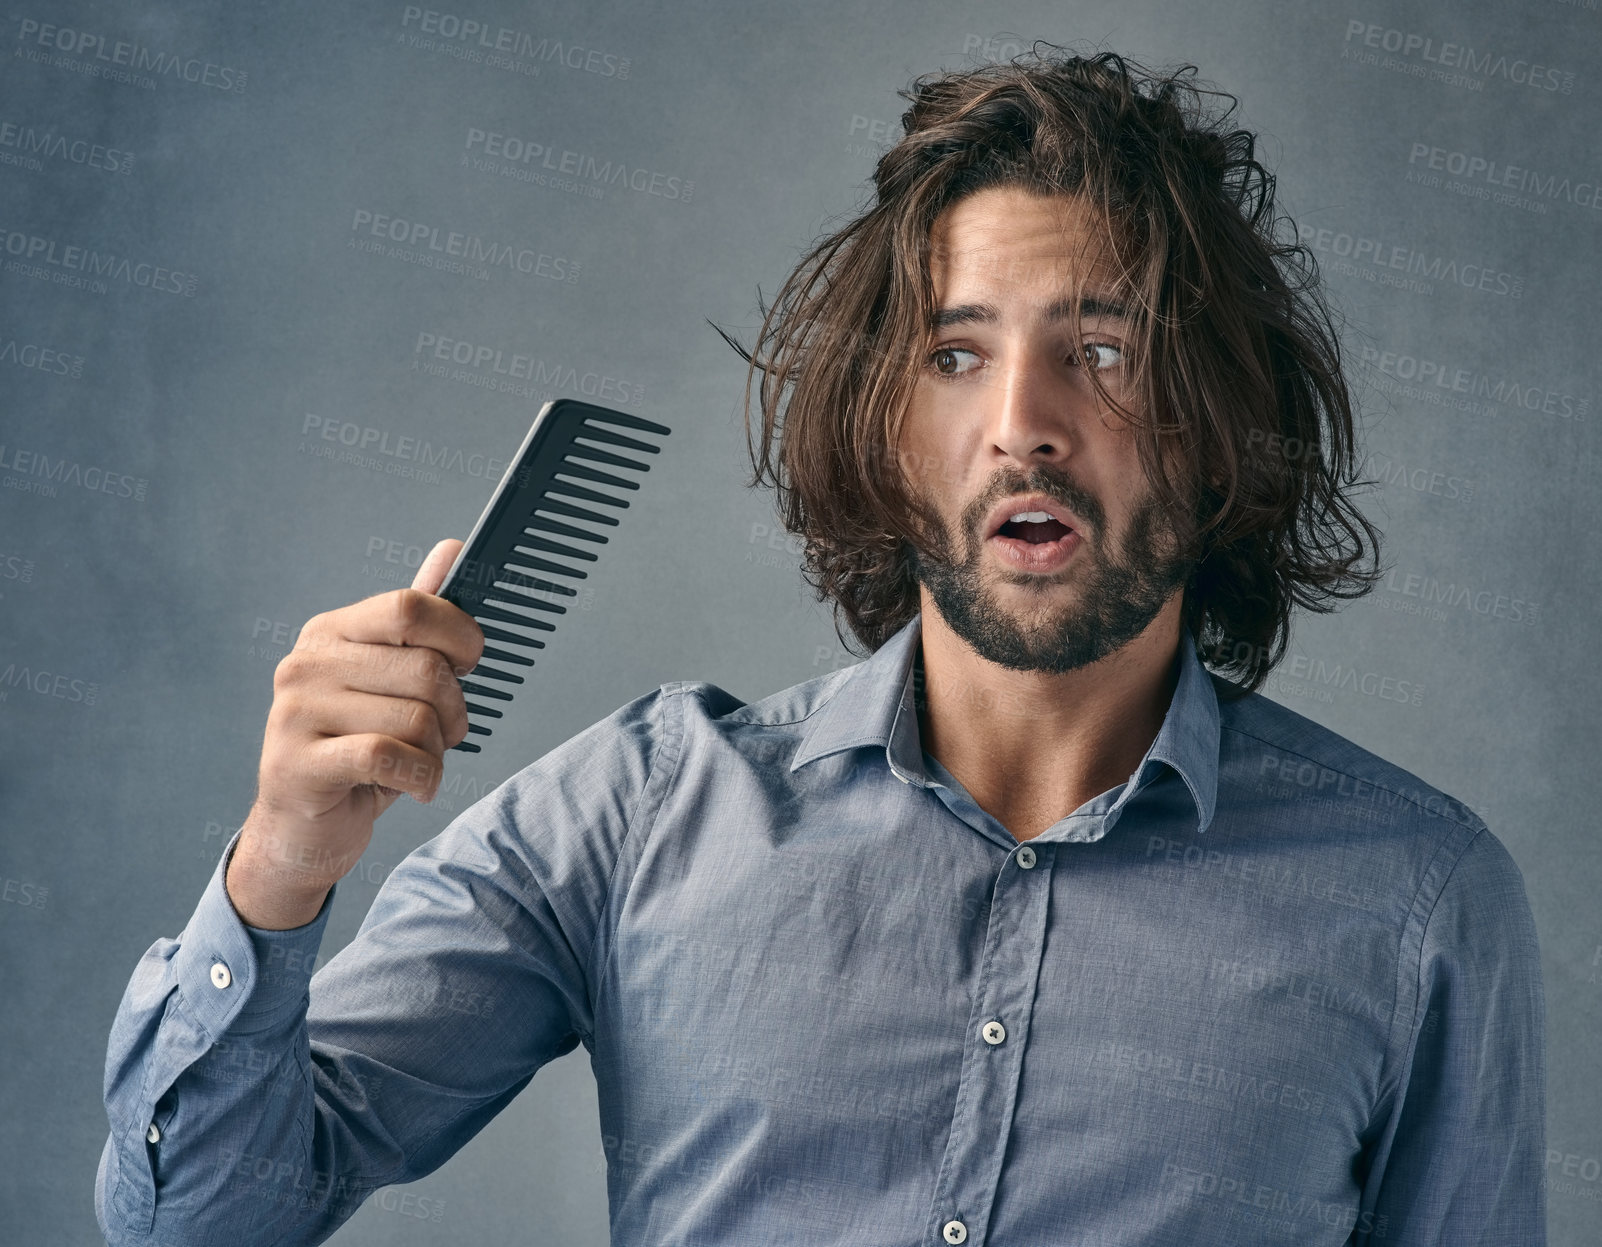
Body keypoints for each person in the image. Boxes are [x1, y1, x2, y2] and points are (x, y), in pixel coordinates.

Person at [97, 46, 1545, 1247]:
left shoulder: (1413, 899)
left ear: (1215, 420)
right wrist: (282, 870)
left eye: (1102, 352)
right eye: (955, 353)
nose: (1020, 422)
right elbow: (200, 1223)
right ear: (885, 422)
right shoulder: (638, 816)